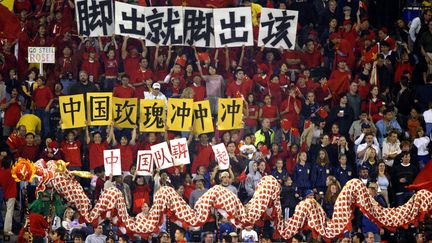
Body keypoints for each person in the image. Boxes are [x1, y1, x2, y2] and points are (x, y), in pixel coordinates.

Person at [0, 158, 17, 236]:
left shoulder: (1, 171)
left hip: (5, 194)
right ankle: (7, 230)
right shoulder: (11, 171)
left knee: (8, 211)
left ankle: (6, 229)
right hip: (11, 194)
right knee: (9, 212)